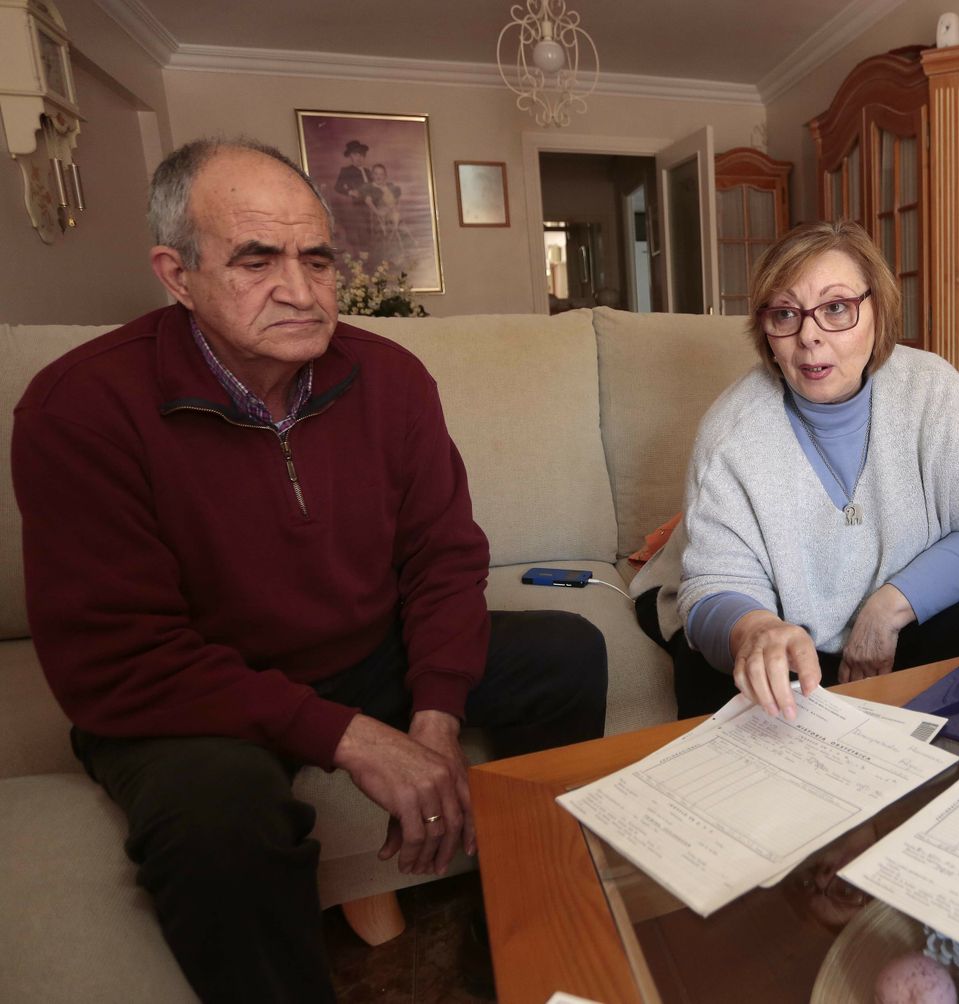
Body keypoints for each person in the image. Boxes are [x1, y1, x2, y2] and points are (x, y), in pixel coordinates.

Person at [11, 138, 608, 1003]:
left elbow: (443, 557)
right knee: (218, 822)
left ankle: (524, 936)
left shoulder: (391, 379)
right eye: (257, 261)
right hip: (194, 695)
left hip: (364, 653)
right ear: (177, 275)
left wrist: (436, 715)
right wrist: (353, 738)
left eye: (318, 259)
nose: (300, 289)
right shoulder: (80, 408)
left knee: (567, 653)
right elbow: (118, 657)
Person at [632, 221, 959, 719]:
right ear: (766, 331)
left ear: (878, 311)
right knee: (729, 679)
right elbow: (714, 584)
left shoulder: (931, 390)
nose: (809, 337)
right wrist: (756, 629)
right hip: (777, 627)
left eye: (836, 308)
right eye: (785, 313)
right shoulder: (730, 434)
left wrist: (889, 607)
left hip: (897, 616)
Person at [332, 138, 372, 248]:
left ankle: (375, 252)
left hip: (373, 205)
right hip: (359, 204)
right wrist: (350, 192)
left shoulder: (368, 171)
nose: (359, 157)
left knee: (373, 229)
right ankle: (364, 252)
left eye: (361, 155)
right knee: (363, 230)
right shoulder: (346, 171)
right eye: (355, 154)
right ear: (350, 156)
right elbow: (337, 187)